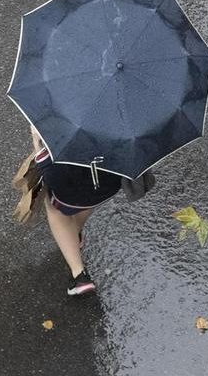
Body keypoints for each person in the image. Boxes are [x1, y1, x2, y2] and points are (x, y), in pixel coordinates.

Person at [30, 126, 122, 296]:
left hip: (71, 188)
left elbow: (51, 174)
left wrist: (38, 145)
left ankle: (79, 276)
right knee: (87, 199)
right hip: (109, 183)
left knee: (55, 210)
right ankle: (73, 234)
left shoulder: (66, 128)